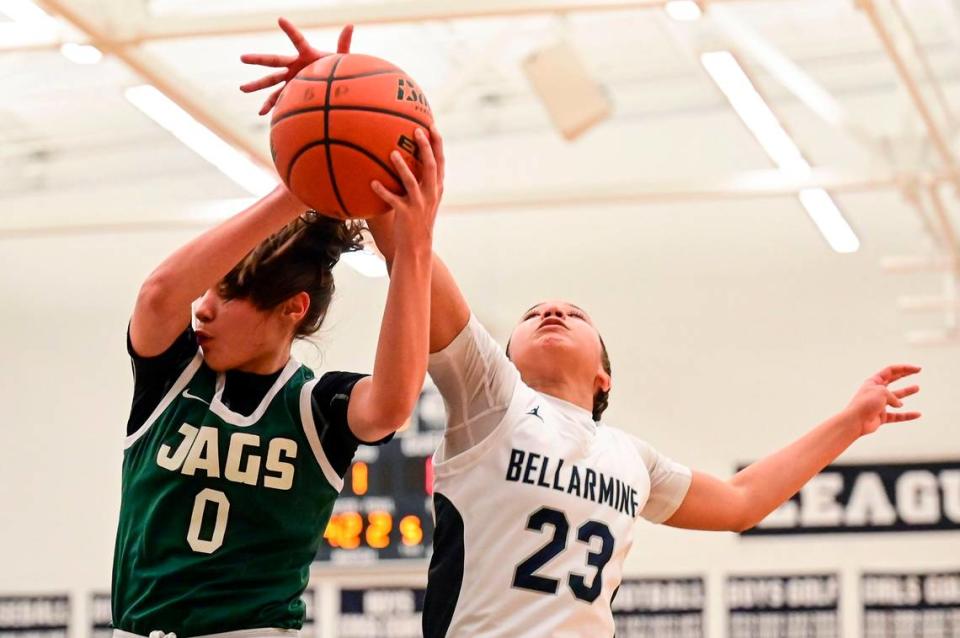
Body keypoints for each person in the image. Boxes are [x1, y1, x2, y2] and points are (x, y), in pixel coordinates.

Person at [246, 23, 922, 638]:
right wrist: (336, 106)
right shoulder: (492, 401)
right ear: (501, 355)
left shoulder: (633, 458)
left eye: (576, 312)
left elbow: (743, 501)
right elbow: (409, 253)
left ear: (604, 375)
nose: (552, 310)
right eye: (534, 312)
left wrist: (851, 420)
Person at [112, 24, 443, 638]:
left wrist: (414, 241)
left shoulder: (316, 407)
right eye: (207, 290)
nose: (202, 308)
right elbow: (160, 294)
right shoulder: (171, 376)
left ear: (292, 307)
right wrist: (307, 174)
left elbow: (394, 402)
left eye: (229, 293)